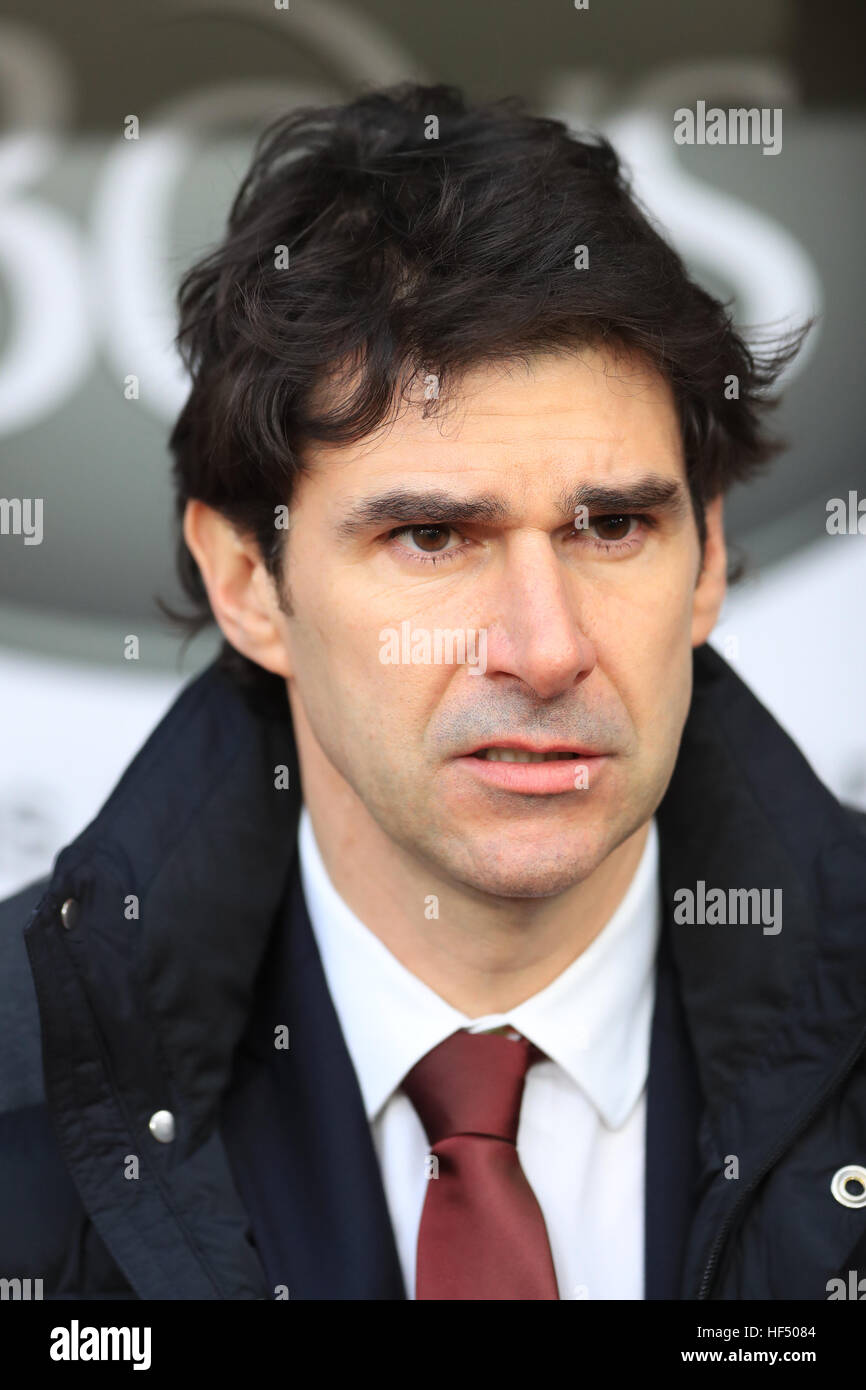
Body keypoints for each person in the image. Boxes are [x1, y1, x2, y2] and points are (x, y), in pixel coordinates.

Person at [1, 82, 864, 1302]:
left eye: (610, 525)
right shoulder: (19, 1074)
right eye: (430, 538)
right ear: (248, 578)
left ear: (708, 558)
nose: (545, 647)